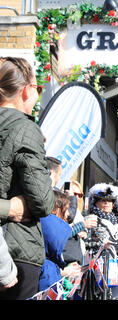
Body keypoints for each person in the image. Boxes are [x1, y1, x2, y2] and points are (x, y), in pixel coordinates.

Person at [0, 56, 55, 300]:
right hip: (15, 251)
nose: (38, 95)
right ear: (25, 91)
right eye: (38, 88)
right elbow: (43, 203)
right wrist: (10, 208)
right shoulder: (24, 128)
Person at [39, 191, 82, 291]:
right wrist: (62, 272)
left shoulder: (50, 236)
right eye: (66, 209)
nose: (67, 214)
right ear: (56, 209)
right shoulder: (46, 234)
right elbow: (43, 270)